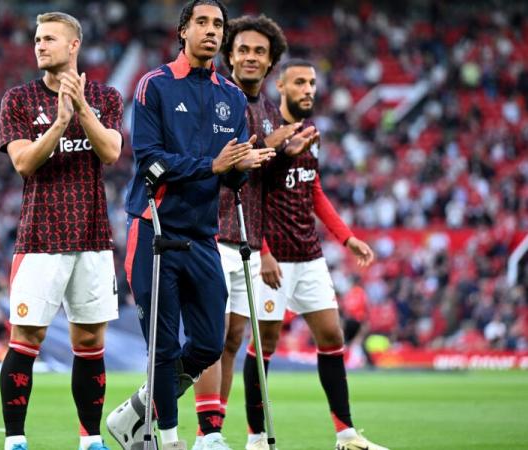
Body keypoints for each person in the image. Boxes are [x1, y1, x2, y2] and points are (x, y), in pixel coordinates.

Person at [106, 2, 274, 449]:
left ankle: (143, 405)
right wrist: (213, 164)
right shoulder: (154, 86)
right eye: (202, 22)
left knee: (208, 343)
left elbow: (230, 174)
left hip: (203, 236)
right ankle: (170, 438)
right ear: (184, 31)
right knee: (161, 347)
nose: (212, 31)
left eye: (218, 24)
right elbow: (149, 162)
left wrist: (245, 166)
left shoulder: (232, 97)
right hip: (155, 230)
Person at [0, 11, 123, 450]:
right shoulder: (18, 98)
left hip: (92, 236)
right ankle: (15, 440)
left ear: (74, 46)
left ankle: (90, 441)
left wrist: (81, 108)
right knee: (26, 336)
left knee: (90, 340)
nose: (40, 45)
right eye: (37, 38)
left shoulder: (105, 96)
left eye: (49, 38)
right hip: (39, 238)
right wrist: (59, 122)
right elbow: (23, 163)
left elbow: (110, 152)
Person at [188, 14, 314, 450]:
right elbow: (220, 161)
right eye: (242, 49)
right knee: (209, 336)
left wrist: (283, 154)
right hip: (211, 231)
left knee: (233, 339)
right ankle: (200, 431)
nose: (249, 57)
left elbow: (260, 180)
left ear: (271, 61)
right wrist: (272, 146)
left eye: (259, 51)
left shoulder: (263, 108)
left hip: (247, 238)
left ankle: (214, 431)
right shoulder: (216, 97)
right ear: (230, 55)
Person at [257, 58, 389, 450]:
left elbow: (312, 190)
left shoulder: (311, 134)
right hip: (273, 257)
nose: (308, 90)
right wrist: (261, 251)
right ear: (280, 86)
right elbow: (251, 196)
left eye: (312, 83)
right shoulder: (266, 133)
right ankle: (256, 438)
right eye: (299, 82)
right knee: (263, 343)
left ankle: (346, 436)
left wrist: (346, 238)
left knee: (332, 335)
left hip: (309, 254)